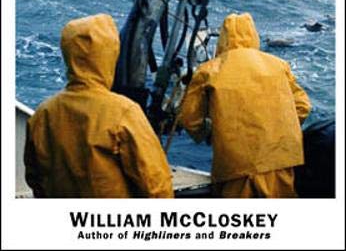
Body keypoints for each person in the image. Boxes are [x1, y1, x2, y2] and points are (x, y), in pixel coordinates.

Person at [24, 13, 174, 198]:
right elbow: (155, 184)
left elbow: (34, 179)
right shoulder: (123, 112)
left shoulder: (43, 114)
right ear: (109, 55)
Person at [179, 12, 311, 198]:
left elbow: (190, 118)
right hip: (280, 158)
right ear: (253, 35)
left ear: (223, 38)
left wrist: (206, 134)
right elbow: (303, 106)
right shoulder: (279, 65)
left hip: (236, 163)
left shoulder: (208, 70)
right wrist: (279, 130)